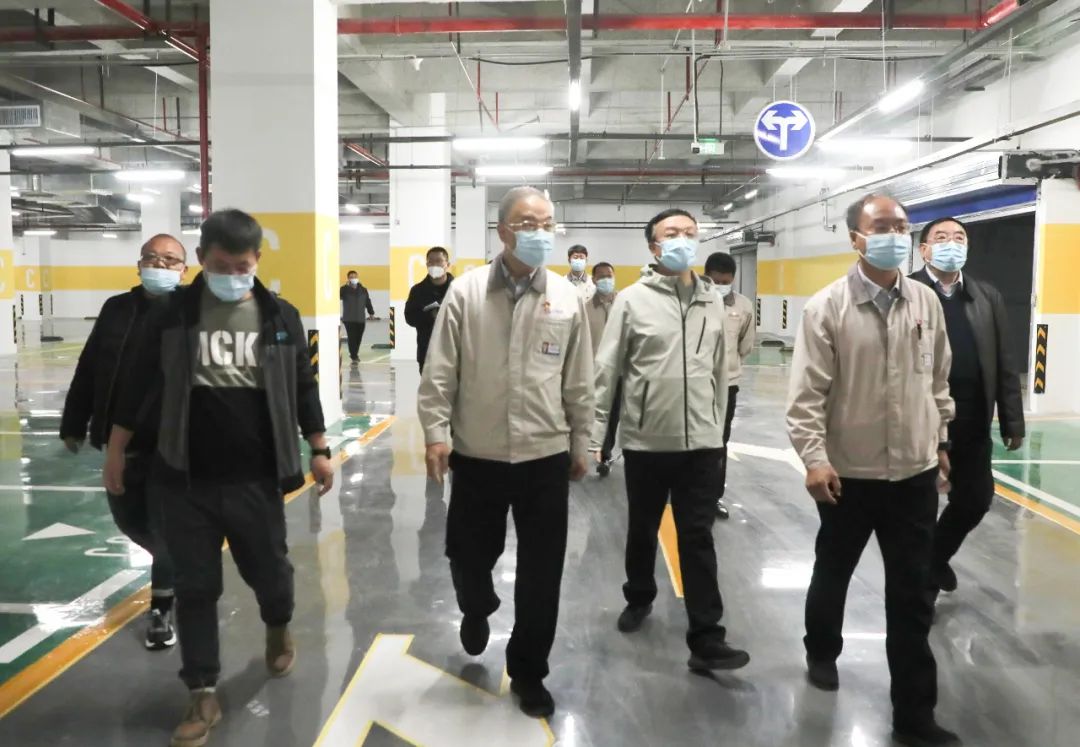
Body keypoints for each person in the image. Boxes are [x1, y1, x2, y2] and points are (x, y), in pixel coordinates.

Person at [102, 209, 335, 747]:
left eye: (243, 266)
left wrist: (320, 447)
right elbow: (136, 385)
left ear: (257, 261)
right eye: (222, 265)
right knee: (195, 586)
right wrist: (116, 449)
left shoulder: (279, 316)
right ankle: (201, 692)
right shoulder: (171, 315)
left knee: (271, 574)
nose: (233, 275)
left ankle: (277, 626)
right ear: (202, 258)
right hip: (182, 478)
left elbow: (303, 385)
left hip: (256, 477)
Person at [787, 193, 959, 747]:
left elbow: (938, 379)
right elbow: (807, 396)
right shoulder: (827, 308)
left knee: (911, 595)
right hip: (849, 474)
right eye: (882, 226)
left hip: (913, 475)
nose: (895, 235)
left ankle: (914, 714)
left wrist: (941, 439)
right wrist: (815, 459)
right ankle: (822, 649)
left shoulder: (925, 302)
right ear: (856, 239)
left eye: (902, 226)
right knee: (833, 570)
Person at [418, 186, 593, 719]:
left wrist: (581, 441)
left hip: (544, 455)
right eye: (527, 223)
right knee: (467, 556)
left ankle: (529, 670)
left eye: (547, 222)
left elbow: (579, 379)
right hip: (478, 454)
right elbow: (440, 369)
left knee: (543, 571)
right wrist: (435, 432)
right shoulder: (466, 292)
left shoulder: (566, 298)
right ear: (502, 231)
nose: (540, 232)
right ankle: (476, 606)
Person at [592, 208, 750, 673]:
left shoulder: (711, 301)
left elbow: (720, 370)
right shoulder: (631, 300)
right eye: (672, 233)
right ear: (654, 246)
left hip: (701, 443)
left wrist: (716, 431)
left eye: (689, 232)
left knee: (697, 536)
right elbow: (606, 371)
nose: (682, 239)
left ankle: (707, 636)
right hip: (646, 440)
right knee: (642, 527)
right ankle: (639, 596)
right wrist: (596, 436)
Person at [60, 233, 187, 651]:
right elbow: (90, 365)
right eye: (151, 257)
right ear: (138, 264)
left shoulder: (192, 313)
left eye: (170, 259)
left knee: (165, 528)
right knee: (130, 520)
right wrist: (74, 421)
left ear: (185, 269)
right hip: (119, 438)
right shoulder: (117, 309)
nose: (160, 265)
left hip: (173, 443)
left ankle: (161, 610)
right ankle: (180, 563)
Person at [910, 217, 1024, 597]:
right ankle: (920, 596)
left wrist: (1012, 419)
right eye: (941, 237)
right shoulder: (907, 292)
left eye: (959, 237)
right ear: (924, 249)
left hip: (972, 417)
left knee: (975, 500)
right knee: (920, 507)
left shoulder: (986, 296)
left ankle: (935, 558)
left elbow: (1004, 361)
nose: (951, 243)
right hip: (922, 420)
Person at [703, 252, 755, 520]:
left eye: (726, 281)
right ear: (706, 277)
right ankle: (688, 492)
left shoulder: (744, 306)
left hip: (728, 384)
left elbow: (746, 345)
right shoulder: (694, 301)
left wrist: (729, 366)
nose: (721, 286)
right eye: (716, 281)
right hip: (697, 383)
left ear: (733, 279)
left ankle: (713, 497)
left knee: (720, 441)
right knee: (692, 440)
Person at [587, 262, 619, 476]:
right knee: (591, 413)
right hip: (593, 371)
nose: (606, 280)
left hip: (619, 372)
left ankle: (605, 455)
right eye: (601, 276)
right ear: (594, 280)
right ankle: (584, 450)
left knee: (613, 415)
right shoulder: (585, 309)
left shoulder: (625, 304)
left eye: (609, 275)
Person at [404, 246, 454, 373]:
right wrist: (429, 315)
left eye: (439, 261)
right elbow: (410, 318)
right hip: (427, 353)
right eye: (431, 261)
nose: (434, 264)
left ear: (447, 264)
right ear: (426, 264)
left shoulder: (458, 289)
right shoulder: (417, 290)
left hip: (454, 354)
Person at [340, 270, 376, 363]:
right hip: (349, 319)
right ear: (348, 278)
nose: (353, 278)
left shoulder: (363, 290)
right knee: (352, 337)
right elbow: (337, 297)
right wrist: (345, 287)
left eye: (355, 276)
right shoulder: (344, 290)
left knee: (358, 338)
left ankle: (354, 354)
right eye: (351, 277)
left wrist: (371, 312)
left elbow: (367, 301)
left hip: (360, 318)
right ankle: (354, 356)